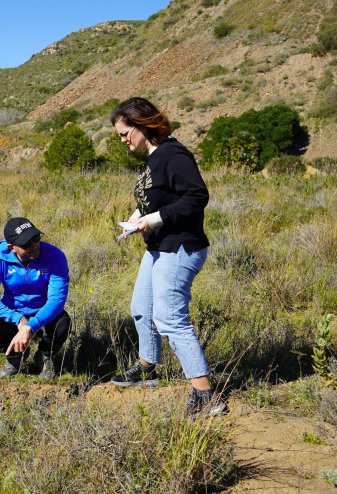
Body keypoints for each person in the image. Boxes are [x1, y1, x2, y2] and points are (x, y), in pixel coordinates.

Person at [110, 97, 227, 419]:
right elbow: (154, 200)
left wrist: (153, 220)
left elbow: (197, 196)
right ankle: (148, 368)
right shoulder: (153, 158)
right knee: (141, 309)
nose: (122, 140)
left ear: (142, 125)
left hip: (180, 248)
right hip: (159, 246)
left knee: (170, 319)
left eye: (124, 133)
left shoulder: (173, 154)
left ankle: (206, 395)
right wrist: (137, 221)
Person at [0, 217, 71, 379]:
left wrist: (31, 325)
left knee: (63, 324)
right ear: (12, 247)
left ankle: (45, 355)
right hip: (13, 313)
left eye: (36, 238)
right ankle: (15, 355)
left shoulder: (54, 256)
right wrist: (18, 319)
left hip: (43, 313)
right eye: (26, 244)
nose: (34, 245)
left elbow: (56, 300)